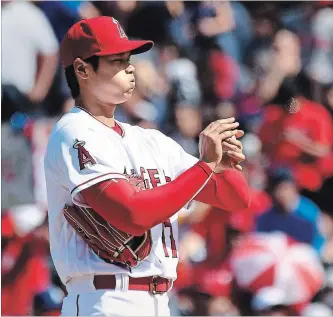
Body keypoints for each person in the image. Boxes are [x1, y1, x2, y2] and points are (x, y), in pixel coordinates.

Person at [44, 16, 251, 316]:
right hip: (103, 299)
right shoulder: (73, 131)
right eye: (116, 60)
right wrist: (205, 167)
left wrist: (224, 165)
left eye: (128, 59)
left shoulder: (152, 140)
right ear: (82, 69)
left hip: (159, 301)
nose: (130, 68)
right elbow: (132, 214)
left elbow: (235, 198)